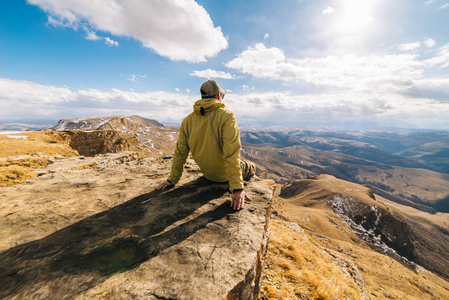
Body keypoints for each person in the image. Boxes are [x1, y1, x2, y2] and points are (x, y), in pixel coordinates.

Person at [156, 80, 255, 210]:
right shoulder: (227, 116)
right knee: (252, 166)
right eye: (223, 96)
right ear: (219, 96)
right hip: (224, 176)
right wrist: (237, 188)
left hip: (208, 174)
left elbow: (180, 152)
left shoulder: (187, 120)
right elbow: (231, 153)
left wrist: (172, 180)